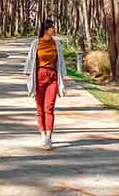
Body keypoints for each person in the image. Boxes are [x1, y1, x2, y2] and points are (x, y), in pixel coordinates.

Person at [23, 19, 68, 149]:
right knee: (40, 108)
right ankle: (42, 134)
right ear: (46, 29)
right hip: (39, 77)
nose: (54, 29)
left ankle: (49, 136)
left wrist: (63, 77)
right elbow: (30, 60)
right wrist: (28, 76)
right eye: (52, 27)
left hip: (52, 77)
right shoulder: (36, 43)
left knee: (49, 107)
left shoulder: (56, 43)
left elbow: (61, 61)